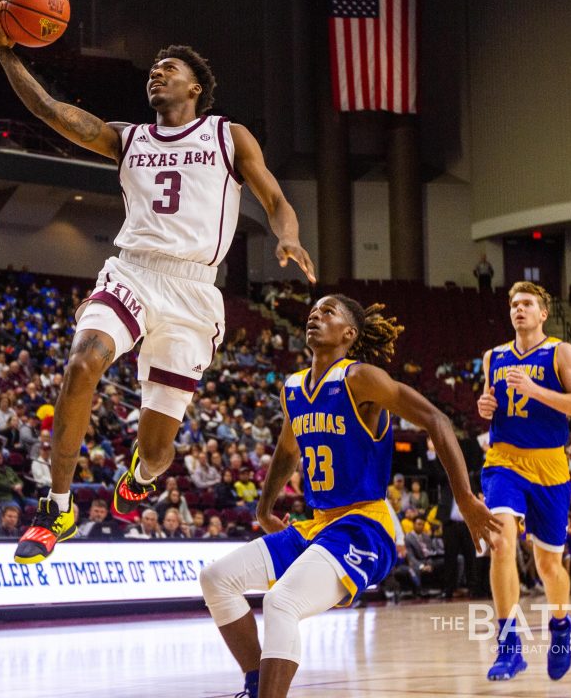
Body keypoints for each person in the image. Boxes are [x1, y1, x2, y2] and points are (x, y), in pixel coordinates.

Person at [0, 6, 316, 566]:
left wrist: (287, 236)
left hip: (193, 292)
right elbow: (52, 112)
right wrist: (6, 54)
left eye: (169, 68)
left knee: (159, 451)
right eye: (153, 70)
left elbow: (276, 200)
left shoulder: (226, 134)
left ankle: (140, 476)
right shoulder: (127, 138)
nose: (156, 74)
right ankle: (57, 507)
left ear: (196, 87)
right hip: (135, 269)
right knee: (82, 361)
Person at [200, 295, 498, 698]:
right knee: (217, 579)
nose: (315, 316)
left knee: (281, 602)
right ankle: (256, 686)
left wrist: (463, 496)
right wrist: (265, 507)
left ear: (349, 333)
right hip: (319, 525)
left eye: (328, 312)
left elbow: (436, 419)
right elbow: (289, 450)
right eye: (313, 311)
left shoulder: (360, 378)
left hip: (365, 526)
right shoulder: (294, 388)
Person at [476, 281, 571, 681]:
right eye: (514, 304)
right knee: (500, 541)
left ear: (543, 313)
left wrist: (535, 389)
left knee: (549, 565)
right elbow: (489, 404)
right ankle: (509, 647)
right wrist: (485, 405)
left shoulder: (560, 351)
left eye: (527, 303)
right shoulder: (493, 356)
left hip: (549, 467)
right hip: (503, 461)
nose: (519, 309)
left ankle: (561, 627)